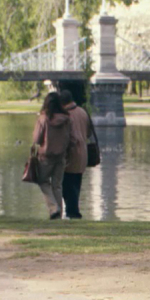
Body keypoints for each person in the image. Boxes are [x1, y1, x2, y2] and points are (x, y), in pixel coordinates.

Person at [31, 91, 73, 219]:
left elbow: (37, 139)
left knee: (42, 181)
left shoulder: (43, 119)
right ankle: (58, 214)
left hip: (46, 157)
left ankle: (54, 208)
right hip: (61, 157)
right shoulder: (66, 119)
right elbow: (70, 137)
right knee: (57, 186)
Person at [59, 89, 91, 220]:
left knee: (68, 187)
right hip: (83, 154)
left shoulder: (66, 116)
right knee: (76, 185)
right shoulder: (83, 112)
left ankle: (73, 214)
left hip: (71, 156)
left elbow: (68, 137)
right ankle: (73, 213)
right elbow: (88, 132)